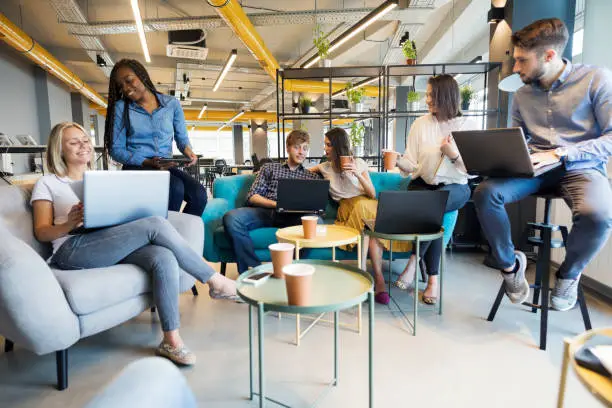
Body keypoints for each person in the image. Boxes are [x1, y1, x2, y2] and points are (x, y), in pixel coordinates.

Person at [32, 122, 239, 366]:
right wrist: (69, 223)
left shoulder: (102, 178)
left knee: (163, 256)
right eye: (73, 142)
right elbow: (42, 232)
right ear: (59, 150)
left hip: (105, 240)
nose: (83, 146)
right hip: (71, 249)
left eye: (85, 140)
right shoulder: (48, 183)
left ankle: (171, 341)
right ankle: (214, 281)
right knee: (154, 224)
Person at [473, 18, 612, 311]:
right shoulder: (522, 95)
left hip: (581, 167)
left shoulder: (597, 79)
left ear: (549, 56)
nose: (515, 68)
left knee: (598, 215)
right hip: (534, 168)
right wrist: (494, 159)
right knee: (486, 193)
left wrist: (562, 154)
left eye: (522, 61)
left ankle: (568, 275)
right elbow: (518, 140)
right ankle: (510, 267)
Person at [390, 74, 478, 304]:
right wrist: (398, 161)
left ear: (446, 96)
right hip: (422, 185)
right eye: (427, 94)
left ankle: (412, 264)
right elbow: (411, 163)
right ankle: (432, 282)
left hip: (456, 188)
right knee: (433, 210)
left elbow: (474, 170)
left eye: (431, 95)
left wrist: (453, 154)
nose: (427, 99)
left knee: (434, 205)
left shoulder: (468, 125)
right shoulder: (421, 124)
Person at [309, 128, 408, 305]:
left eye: (329, 145)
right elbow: (302, 171)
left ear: (339, 146)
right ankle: (375, 279)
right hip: (347, 209)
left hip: (367, 204)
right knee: (370, 229)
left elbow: (371, 193)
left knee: (367, 214)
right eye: (325, 144)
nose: (325, 148)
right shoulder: (324, 167)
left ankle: (371, 277)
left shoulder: (359, 163)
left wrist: (356, 174)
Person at [103, 58, 207, 217]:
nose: (126, 89)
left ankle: (178, 232)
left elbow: (182, 139)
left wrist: (188, 151)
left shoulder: (172, 104)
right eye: (121, 86)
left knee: (199, 195)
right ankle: (162, 236)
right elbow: (116, 150)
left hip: (164, 164)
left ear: (142, 76)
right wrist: (146, 161)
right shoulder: (121, 108)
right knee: (175, 188)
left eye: (129, 81)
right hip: (137, 165)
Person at [223, 130, 322, 274]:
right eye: (297, 147)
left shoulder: (311, 177)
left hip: (295, 217)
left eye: (305, 148)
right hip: (266, 211)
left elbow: (316, 206)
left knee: (317, 222)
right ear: (288, 148)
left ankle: (291, 267)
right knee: (231, 218)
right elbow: (252, 196)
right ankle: (254, 269)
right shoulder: (270, 168)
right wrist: (277, 204)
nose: (301, 152)